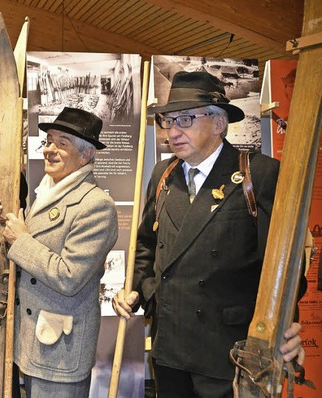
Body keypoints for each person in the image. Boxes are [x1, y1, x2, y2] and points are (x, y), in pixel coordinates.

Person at [112, 71, 306, 397]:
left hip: (230, 353)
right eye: (167, 121)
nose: (172, 131)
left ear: (219, 124)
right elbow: (147, 242)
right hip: (170, 347)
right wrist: (140, 288)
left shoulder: (257, 174)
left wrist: (284, 324)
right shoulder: (164, 175)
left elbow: (286, 262)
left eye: (185, 119)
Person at [0, 106, 118, 397]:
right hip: (28, 340)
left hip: (60, 349)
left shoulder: (95, 206)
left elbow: (68, 276)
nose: (50, 149)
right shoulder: (46, 193)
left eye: (62, 143)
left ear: (86, 154)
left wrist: (21, 239)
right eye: (49, 141)